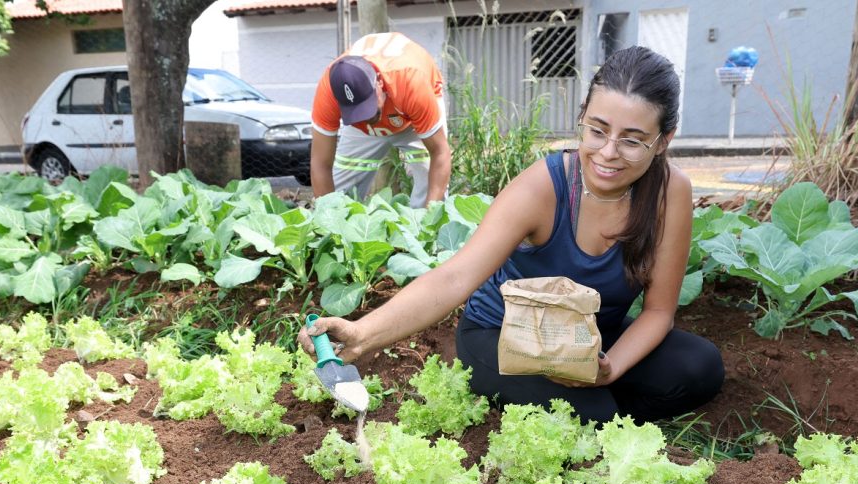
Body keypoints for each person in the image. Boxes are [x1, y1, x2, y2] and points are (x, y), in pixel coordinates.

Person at [301, 46, 724, 424]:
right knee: (593, 416)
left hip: (584, 337)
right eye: (597, 130)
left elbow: (658, 312)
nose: (608, 152)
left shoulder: (672, 192)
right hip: (503, 335)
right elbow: (455, 277)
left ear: (663, 140)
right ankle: (592, 408)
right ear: (582, 120)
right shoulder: (544, 188)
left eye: (633, 140)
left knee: (699, 368)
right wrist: (363, 333)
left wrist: (610, 366)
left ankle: (597, 402)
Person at [310, 32, 452, 208]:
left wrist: (431, 216)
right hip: (364, 129)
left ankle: (424, 229)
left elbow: (440, 153)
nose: (368, 120)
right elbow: (320, 164)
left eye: (368, 108)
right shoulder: (329, 90)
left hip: (410, 115)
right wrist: (328, 217)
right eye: (356, 112)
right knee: (339, 196)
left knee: (429, 178)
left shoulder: (411, 82)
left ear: (378, 84)